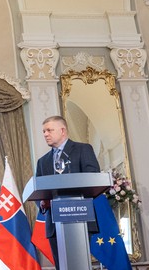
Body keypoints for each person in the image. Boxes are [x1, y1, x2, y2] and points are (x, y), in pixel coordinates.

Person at [34, 115, 100, 269]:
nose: (45, 134)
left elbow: (93, 178)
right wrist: (43, 203)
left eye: (49, 130)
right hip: (55, 224)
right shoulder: (42, 161)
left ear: (62, 131)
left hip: (80, 217)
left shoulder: (83, 149)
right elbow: (39, 190)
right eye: (44, 131)